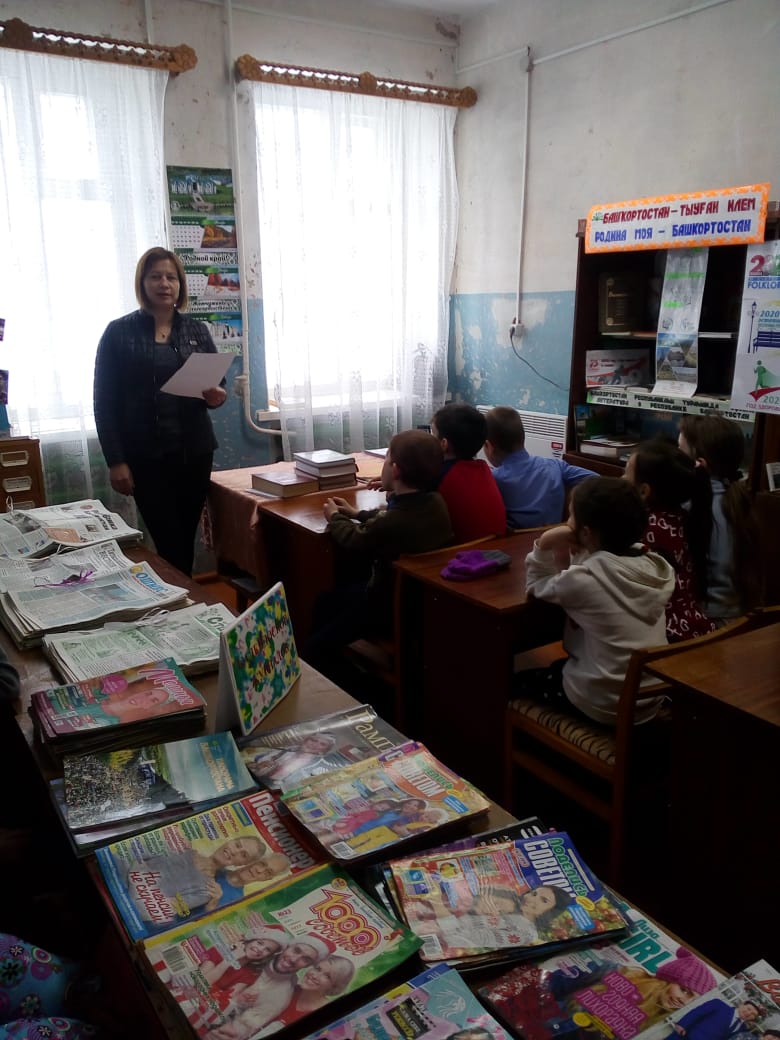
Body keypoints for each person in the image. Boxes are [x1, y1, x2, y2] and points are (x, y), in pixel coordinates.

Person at [93, 246, 228, 576]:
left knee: (184, 536)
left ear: (180, 285)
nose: (164, 284)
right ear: (143, 282)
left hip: (194, 454)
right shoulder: (118, 333)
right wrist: (116, 461)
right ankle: (183, 594)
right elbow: (104, 402)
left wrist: (216, 396)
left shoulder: (196, 330)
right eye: (155, 276)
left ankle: (183, 595)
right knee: (167, 537)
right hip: (145, 458)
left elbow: (216, 385)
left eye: (171, 277)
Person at [304, 429, 453, 694]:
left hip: (383, 604)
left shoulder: (393, 521)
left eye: (386, 460)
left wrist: (335, 517)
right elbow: (392, 517)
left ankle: (361, 689)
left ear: (395, 470)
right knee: (326, 601)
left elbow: (354, 538)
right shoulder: (436, 502)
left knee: (314, 649)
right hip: (419, 600)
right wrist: (357, 513)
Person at [523, 476, 675, 725]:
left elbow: (535, 585)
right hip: (647, 698)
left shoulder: (586, 580)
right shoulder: (651, 564)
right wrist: (585, 548)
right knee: (558, 666)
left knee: (518, 682)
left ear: (586, 532)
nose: (567, 523)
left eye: (571, 517)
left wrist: (544, 543)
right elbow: (599, 568)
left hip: (605, 704)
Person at [623, 439, 715, 642]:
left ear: (643, 491)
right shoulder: (681, 517)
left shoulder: (646, 527)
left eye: (626, 473)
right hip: (692, 625)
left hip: (666, 633)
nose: (621, 479)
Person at [677, 415, 761, 621]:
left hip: (709, 623)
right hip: (738, 616)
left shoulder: (693, 508)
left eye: (679, 452)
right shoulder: (736, 499)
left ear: (699, 464)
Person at [548, 945, 717, 1031]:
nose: (683, 1001)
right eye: (684, 990)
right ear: (666, 980)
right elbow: (547, 987)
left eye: (693, 998)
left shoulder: (661, 1026)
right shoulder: (611, 970)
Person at [484, 406, 595, 528]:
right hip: (554, 537)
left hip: (516, 540)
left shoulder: (492, 480)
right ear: (523, 438)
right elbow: (597, 480)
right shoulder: (556, 466)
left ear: (489, 447)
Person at [211, 935, 335, 1037]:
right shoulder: (256, 953)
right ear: (287, 947)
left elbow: (241, 1028)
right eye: (296, 950)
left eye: (306, 959)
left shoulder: (282, 995)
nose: (294, 959)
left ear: (307, 966)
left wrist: (240, 1004)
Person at [432, 403, 507, 541]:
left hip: (464, 550)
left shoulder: (439, 474)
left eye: (433, 434)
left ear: (444, 444)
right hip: (498, 547)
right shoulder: (484, 468)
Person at [266, 954, 355, 1028]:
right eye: (317, 969)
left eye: (327, 976)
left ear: (334, 986)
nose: (315, 976)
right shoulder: (287, 988)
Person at [666, 998, 762, 1040]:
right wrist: (682, 1025)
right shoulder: (719, 1005)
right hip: (685, 1037)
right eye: (749, 1009)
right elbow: (697, 1012)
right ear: (742, 1004)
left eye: (753, 1014)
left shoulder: (743, 1029)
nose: (748, 1013)